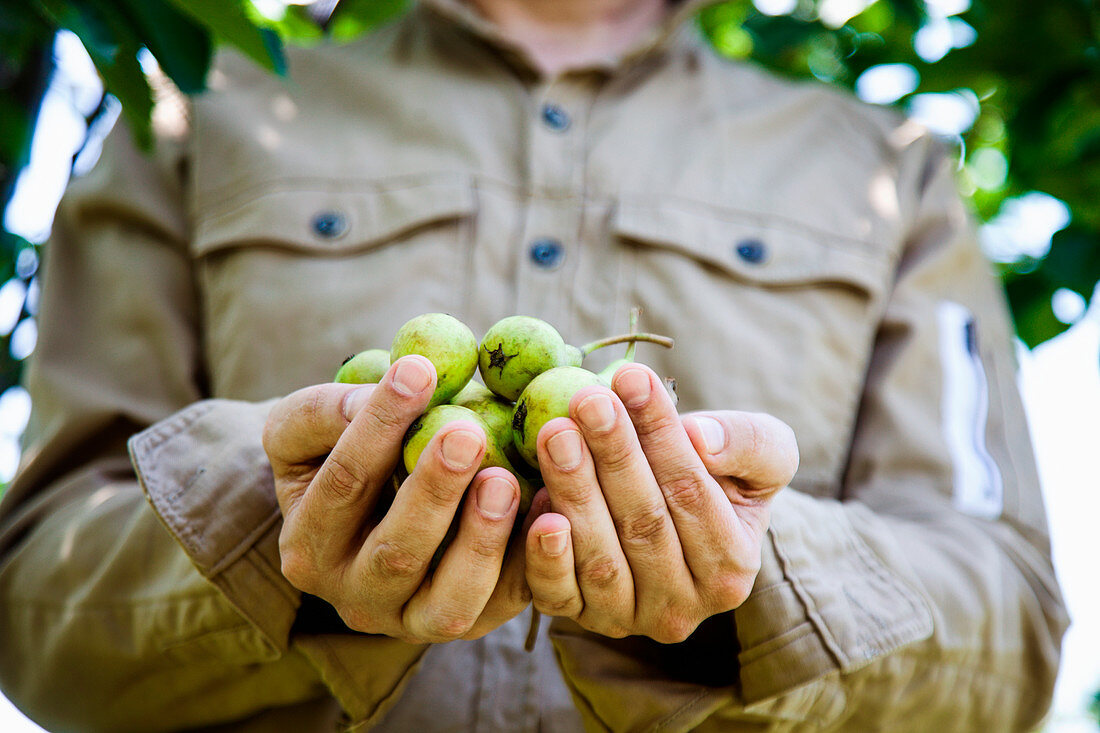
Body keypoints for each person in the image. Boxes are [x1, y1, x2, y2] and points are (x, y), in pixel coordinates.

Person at [0, 0, 1068, 730]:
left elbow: (1009, 628)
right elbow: (31, 597)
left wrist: (755, 574)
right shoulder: (197, 122)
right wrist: (268, 532)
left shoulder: (887, 171)